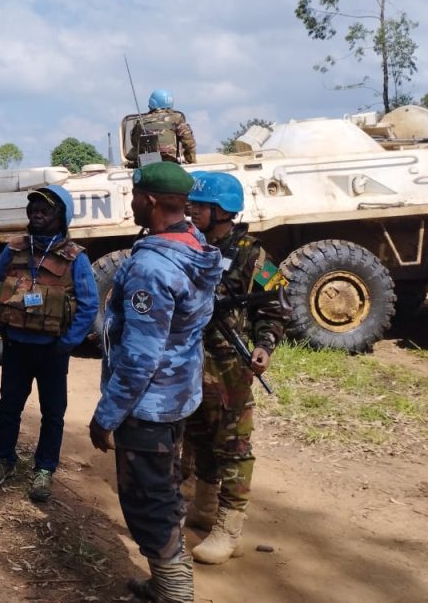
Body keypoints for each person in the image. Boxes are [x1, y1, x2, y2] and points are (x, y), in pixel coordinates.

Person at [88, 161, 222, 603]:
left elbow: (140, 357)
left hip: (146, 406)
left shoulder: (150, 268)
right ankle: (163, 582)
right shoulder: (196, 245)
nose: (130, 203)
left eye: (132, 196)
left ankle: (175, 591)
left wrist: (106, 415)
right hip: (179, 394)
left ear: (148, 200)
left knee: (149, 499)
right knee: (162, 487)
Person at [183, 171, 288, 564]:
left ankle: (229, 527)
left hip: (229, 362)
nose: (191, 210)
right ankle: (204, 506)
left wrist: (264, 347)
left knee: (232, 444)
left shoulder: (252, 254)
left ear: (221, 210)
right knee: (196, 435)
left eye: (199, 205)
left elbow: (275, 303)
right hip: (191, 357)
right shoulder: (191, 246)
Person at [0, 184, 98, 502]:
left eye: (46, 208)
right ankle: (3, 459)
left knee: (53, 413)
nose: (37, 212)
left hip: (52, 350)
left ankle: (44, 469)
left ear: (62, 216)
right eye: (34, 206)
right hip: (17, 346)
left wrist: (69, 342)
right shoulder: (14, 248)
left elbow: (89, 304)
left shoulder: (75, 258)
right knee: (8, 407)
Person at [126, 89, 197, 166]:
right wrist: (191, 160)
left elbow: (135, 143)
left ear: (152, 103)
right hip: (170, 164)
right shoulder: (176, 118)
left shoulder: (141, 121)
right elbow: (188, 141)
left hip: (147, 165)